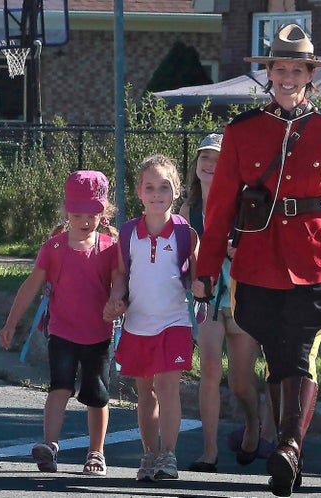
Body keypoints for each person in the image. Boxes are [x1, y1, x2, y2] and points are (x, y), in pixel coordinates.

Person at [191, 24, 321, 497]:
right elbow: (217, 213)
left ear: (310, 75)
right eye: (281, 68)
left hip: (318, 261)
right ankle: (285, 447)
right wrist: (206, 271)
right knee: (278, 357)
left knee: (297, 350)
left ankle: (290, 447)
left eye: (298, 69)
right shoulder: (243, 131)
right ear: (269, 74)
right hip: (257, 260)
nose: (288, 76)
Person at [0, 171, 118, 477]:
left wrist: (118, 303)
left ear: (102, 212)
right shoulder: (53, 248)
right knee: (59, 387)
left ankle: (97, 451)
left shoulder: (110, 247)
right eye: (78, 213)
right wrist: (11, 322)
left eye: (92, 213)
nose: (85, 220)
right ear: (67, 211)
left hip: (98, 335)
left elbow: (121, 284)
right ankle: (49, 446)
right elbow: (30, 286)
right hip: (62, 332)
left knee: (98, 394)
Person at [180, 134, 273, 472]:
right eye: (205, 157)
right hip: (205, 298)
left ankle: (253, 424)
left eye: (218, 160)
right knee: (208, 371)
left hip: (240, 297)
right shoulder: (188, 210)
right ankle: (209, 452)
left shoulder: (242, 207)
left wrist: (239, 250)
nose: (209, 164)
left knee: (239, 382)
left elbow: (261, 249)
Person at [103, 154, 198, 482]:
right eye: (150, 187)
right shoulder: (127, 232)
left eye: (165, 187)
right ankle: (149, 454)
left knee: (169, 386)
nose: (157, 194)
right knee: (145, 391)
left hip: (174, 321)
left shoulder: (186, 232)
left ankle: (169, 454)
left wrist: (201, 285)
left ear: (177, 191)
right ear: (139, 192)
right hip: (138, 324)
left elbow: (197, 275)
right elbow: (120, 273)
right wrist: (117, 297)